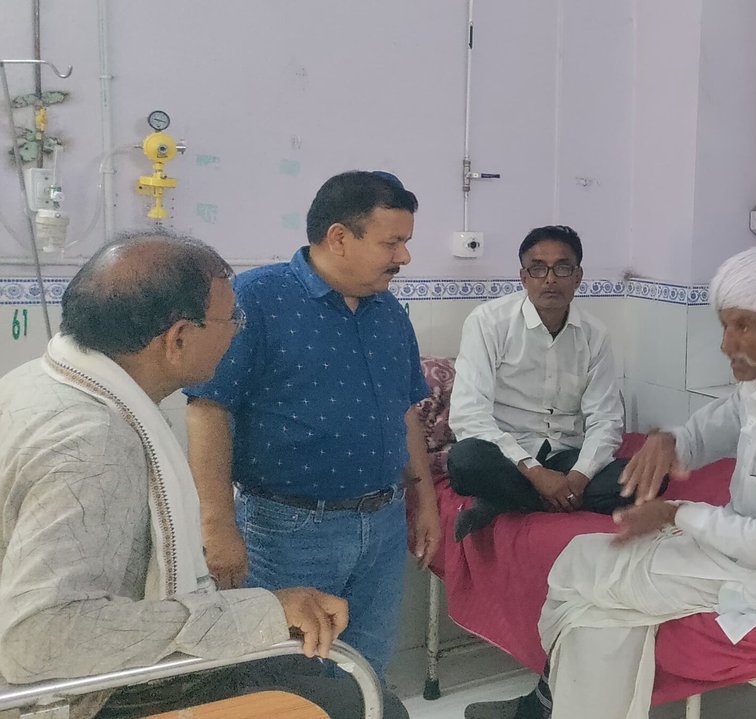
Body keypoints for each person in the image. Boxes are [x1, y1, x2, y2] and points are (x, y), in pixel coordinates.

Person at [0, 229, 405, 718]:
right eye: (231, 319)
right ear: (178, 339)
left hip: (105, 671)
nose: (236, 331)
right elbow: (39, 638)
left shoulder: (40, 383)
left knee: (340, 686)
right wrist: (263, 610)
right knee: (363, 702)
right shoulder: (93, 443)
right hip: (81, 697)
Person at [527, 248, 756, 719]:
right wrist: (668, 442)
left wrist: (676, 513)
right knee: (594, 603)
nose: (725, 345)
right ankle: (551, 703)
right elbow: (706, 432)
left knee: (579, 571)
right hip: (733, 555)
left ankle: (545, 704)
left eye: (741, 327)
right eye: (724, 327)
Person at [185, 170, 441, 678]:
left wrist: (425, 500)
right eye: (392, 243)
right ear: (339, 237)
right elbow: (209, 409)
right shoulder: (255, 300)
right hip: (288, 531)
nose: (404, 257)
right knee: (287, 677)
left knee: (366, 670)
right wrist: (216, 526)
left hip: (383, 523)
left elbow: (405, 408)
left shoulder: (389, 311)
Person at [448, 225, 629, 540]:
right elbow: (468, 415)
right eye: (538, 269)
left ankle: (504, 503)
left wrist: (579, 477)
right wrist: (535, 473)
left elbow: (606, 418)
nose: (550, 279)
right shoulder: (488, 322)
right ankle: (550, 500)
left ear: (578, 276)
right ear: (523, 277)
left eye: (562, 268)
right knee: (465, 459)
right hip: (508, 457)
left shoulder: (594, 334)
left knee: (639, 478)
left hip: (566, 456)